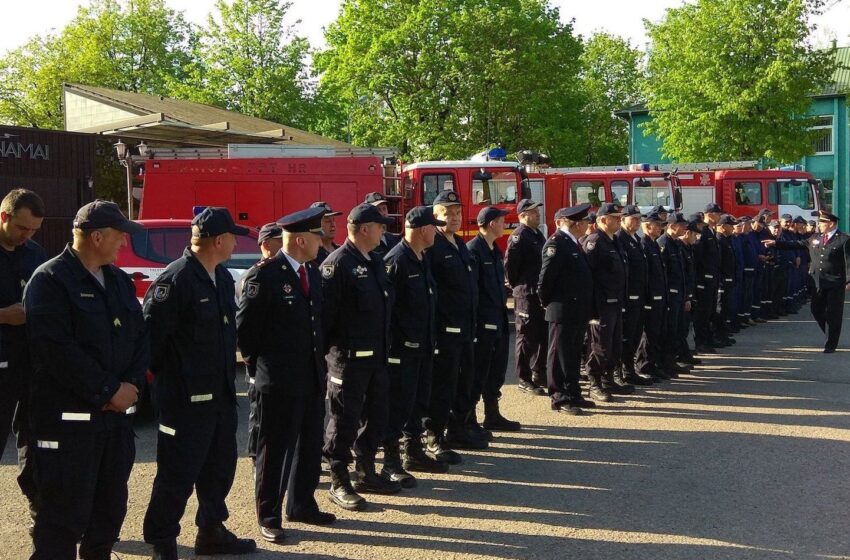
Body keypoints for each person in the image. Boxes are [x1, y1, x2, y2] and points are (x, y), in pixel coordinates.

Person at [23, 200, 148, 560]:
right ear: (97, 237)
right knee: (62, 519)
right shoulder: (50, 281)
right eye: (120, 237)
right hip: (69, 426)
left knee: (108, 514)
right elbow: (56, 351)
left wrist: (132, 386)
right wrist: (109, 390)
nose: (124, 244)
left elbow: (140, 338)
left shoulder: (119, 281)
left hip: (114, 426)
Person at [143, 207, 256, 560]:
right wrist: (178, 382)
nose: (236, 243)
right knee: (176, 476)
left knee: (219, 469)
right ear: (218, 241)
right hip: (184, 401)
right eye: (233, 237)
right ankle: (162, 540)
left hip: (220, 395)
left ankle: (211, 531)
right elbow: (151, 344)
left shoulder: (220, 278)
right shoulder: (174, 281)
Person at [236, 207, 333, 544]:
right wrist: (263, 369)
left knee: (309, 445)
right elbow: (246, 333)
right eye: (318, 235)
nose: (322, 241)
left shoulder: (312, 272)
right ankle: (270, 514)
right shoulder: (265, 275)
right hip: (277, 381)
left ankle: (302, 503)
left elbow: (317, 324)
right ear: (302, 239)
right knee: (274, 449)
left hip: (310, 377)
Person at [322, 203, 400, 512]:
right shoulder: (337, 265)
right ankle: (339, 479)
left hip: (377, 357)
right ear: (363, 229)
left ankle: (366, 469)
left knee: (377, 415)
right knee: (344, 420)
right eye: (379, 225)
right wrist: (330, 360)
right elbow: (325, 320)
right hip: (348, 360)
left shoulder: (374, 261)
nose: (384, 230)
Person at [383, 206, 448, 484]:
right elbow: (388, 311)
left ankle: (413, 452)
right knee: (398, 405)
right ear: (423, 230)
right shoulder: (396, 260)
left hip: (422, 347)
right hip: (402, 350)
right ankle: (390, 462)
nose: (437, 231)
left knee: (418, 403)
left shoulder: (421, 257)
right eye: (434, 227)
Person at [424, 190, 484, 463]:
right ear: (435, 216)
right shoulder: (432, 246)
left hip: (466, 328)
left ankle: (458, 428)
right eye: (448, 212)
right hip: (445, 331)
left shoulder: (459, 244)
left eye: (458, 212)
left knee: (465, 381)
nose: (455, 217)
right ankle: (435, 436)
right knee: (443, 385)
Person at [0, 188, 46, 531]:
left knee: (33, 438)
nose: (27, 236)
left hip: (29, 363)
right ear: (5, 217)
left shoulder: (34, 254)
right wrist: (3, 315)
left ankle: (39, 509)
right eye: (21, 228)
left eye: (33, 230)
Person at [538, 204, 596, 415]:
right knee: (559, 354)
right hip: (562, 309)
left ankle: (573, 392)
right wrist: (548, 303)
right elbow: (545, 280)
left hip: (577, 309)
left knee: (572, 354)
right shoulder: (557, 243)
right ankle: (559, 396)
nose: (588, 227)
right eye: (585, 223)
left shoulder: (573, 243)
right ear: (577, 224)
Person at [764, 210, 850, 353]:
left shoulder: (844, 239)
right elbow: (796, 243)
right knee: (816, 309)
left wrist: (848, 280)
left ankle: (831, 343)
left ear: (831, 224)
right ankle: (830, 333)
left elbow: (848, 261)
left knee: (833, 313)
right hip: (817, 281)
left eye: (822, 223)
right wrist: (775, 243)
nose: (819, 225)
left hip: (835, 281)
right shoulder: (815, 237)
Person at [468, 206, 521, 432]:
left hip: (498, 320)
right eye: (501, 221)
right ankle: (468, 419)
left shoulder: (492, 250)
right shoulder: (474, 250)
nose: (504, 224)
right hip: (483, 324)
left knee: (496, 370)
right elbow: (473, 292)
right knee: (477, 372)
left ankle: (492, 413)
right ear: (491, 224)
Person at [583, 203, 633, 402]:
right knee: (599, 346)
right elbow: (588, 277)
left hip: (616, 302)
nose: (620, 220)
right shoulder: (595, 241)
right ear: (603, 220)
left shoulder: (614, 241)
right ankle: (594, 383)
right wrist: (592, 308)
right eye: (616, 217)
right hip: (601, 305)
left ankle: (608, 379)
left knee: (613, 345)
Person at [242, 222, 283, 463]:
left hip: (274, 362)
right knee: (260, 414)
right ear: (266, 245)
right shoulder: (257, 275)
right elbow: (247, 326)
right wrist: (251, 362)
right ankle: (258, 457)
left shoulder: (278, 273)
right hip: (260, 362)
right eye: (280, 241)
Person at [504, 198, 548, 396]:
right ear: (522, 216)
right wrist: (518, 287)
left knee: (541, 335)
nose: (537, 215)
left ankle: (539, 372)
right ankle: (524, 378)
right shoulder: (518, 237)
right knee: (526, 336)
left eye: (537, 211)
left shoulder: (537, 234)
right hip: (526, 294)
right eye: (533, 212)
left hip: (538, 293)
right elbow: (510, 267)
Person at [614, 204, 651, 386]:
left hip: (638, 297)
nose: (637, 222)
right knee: (625, 337)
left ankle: (630, 370)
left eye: (638, 219)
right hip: (627, 298)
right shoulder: (620, 238)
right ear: (622, 219)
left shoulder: (634, 238)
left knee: (635, 335)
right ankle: (619, 373)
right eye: (633, 218)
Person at [657, 213, 690, 375]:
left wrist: (685, 297)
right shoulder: (663, 243)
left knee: (676, 329)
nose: (684, 228)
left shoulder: (676, 243)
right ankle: (665, 363)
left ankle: (672, 361)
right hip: (670, 297)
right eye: (681, 225)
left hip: (678, 295)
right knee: (669, 330)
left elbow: (681, 273)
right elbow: (663, 274)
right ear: (671, 226)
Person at [635, 211, 667, 381]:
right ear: (647, 226)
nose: (660, 229)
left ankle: (652, 364)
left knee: (655, 333)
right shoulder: (644, 244)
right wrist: (648, 298)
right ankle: (643, 366)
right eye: (657, 226)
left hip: (658, 296)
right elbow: (646, 275)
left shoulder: (653, 244)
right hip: (649, 298)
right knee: (647, 335)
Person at [693, 204, 723, 352]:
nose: (719, 217)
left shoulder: (711, 231)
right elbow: (699, 258)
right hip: (704, 279)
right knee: (703, 312)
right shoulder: (703, 232)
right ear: (709, 214)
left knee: (710, 311)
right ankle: (701, 341)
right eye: (717, 214)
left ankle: (709, 339)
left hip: (713, 278)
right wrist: (701, 280)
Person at [364, 192, 401, 258]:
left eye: (384, 209)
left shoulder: (391, 238)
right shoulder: (365, 241)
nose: (383, 213)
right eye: (378, 209)